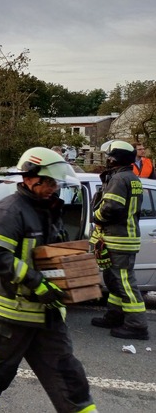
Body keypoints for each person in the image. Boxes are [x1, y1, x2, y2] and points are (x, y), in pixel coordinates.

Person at [0, 146, 96, 413]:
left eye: (55, 182)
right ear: (29, 178)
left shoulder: (50, 208)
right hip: (9, 316)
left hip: (46, 314)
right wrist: (36, 282)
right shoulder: (9, 211)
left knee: (71, 380)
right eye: (48, 182)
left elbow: (51, 253)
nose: (53, 188)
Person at [90, 140, 148, 340]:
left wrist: (95, 216)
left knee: (124, 282)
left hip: (119, 239)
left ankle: (137, 325)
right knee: (115, 281)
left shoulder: (119, 179)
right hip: (123, 238)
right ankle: (115, 315)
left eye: (109, 156)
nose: (107, 159)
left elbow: (111, 208)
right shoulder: (130, 177)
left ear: (116, 158)